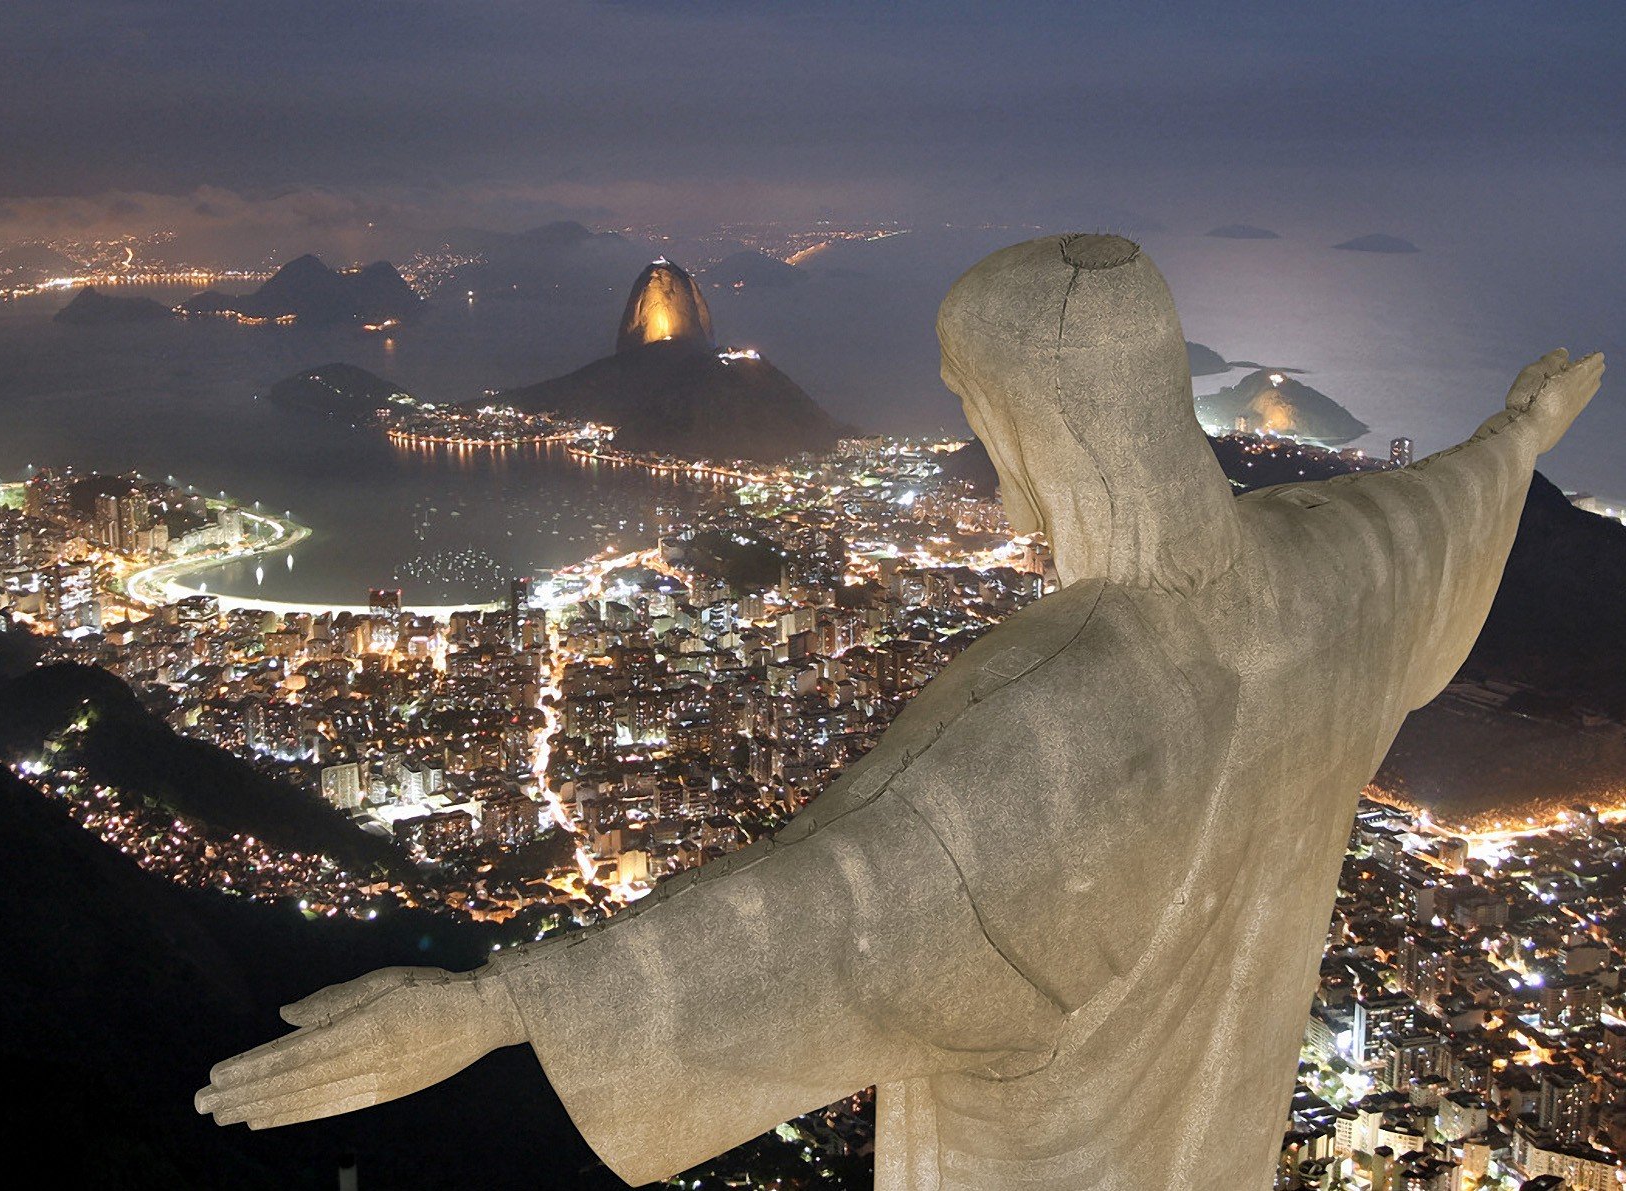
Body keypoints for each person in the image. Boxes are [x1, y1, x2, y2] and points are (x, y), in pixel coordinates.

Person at [196, 234, 1603, 1191]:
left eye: (980, 415)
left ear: (1034, 424)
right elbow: (1444, 509)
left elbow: (824, 912)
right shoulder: (1327, 575)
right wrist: (1523, 432)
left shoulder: (1052, 715)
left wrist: (492, 1009)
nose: (983, 463)